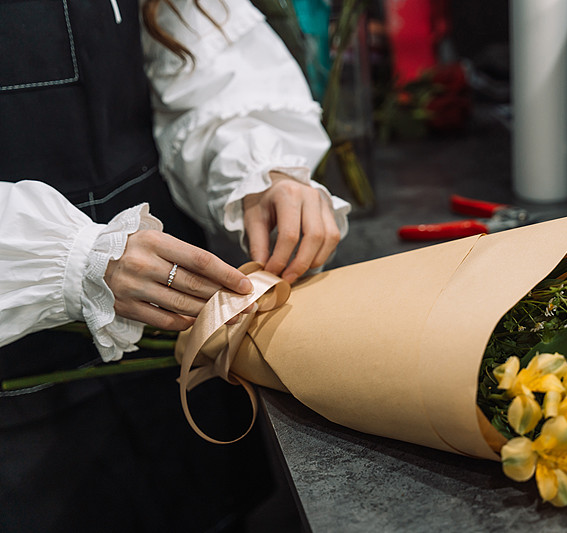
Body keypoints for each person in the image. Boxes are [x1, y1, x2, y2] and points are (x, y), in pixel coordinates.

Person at [0, 0, 349, 530]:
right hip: (20, 404)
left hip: (171, 357)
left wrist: (264, 169)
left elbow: (206, 68)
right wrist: (66, 258)